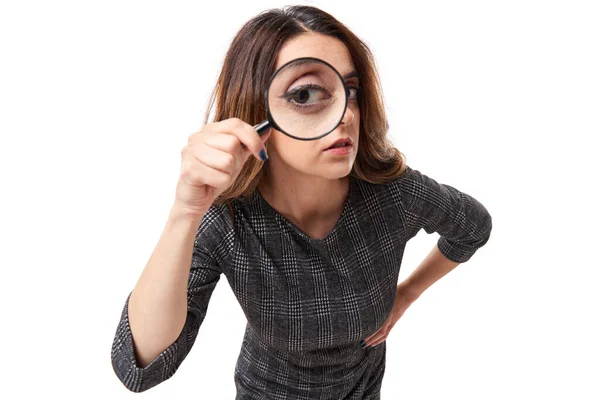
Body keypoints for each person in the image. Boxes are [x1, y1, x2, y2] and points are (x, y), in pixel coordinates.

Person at [110, 5, 493, 399]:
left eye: (352, 90)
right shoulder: (228, 221)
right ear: (258, 117)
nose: (345, 114)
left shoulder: (395, 195)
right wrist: (185, 212)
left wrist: (407, 293)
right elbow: (137, 368)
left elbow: (472, 227)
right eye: (306, 94)